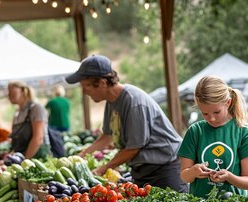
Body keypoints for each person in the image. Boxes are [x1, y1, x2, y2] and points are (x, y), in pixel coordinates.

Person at [65, 55, 187, 192]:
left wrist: (103, 168)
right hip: (143, 170)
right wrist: (81, 155)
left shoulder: (134, 102)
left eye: (86, 86)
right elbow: (107, 136)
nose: (84, 92)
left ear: (102, 83)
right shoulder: (111, 102)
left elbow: (134, 148)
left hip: (166, 169)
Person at [178, 76, 248, 198]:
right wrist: (194, 171)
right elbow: (184, 176)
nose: (212, 118)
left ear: (228, 102)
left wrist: (229, 177)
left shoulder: (243, 133)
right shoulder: (195, 131)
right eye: (205, 113)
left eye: (216, 112)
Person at [7, 80, 51, 159]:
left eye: (13, 93)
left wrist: (25, 161)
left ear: (23, 91)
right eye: (8, 93)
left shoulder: (36, 108)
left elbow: (38, 138)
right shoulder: (17, 113)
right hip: (22, 157)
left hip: (38, 158)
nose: (9, 96)